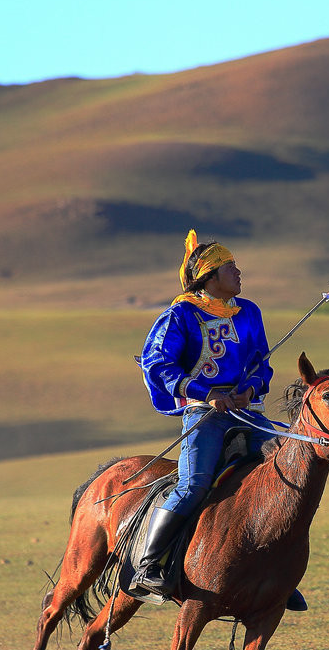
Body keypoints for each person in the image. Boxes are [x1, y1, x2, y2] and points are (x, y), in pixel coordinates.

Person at [130, 230, 306, 610]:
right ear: (210, 276)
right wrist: (206, 393)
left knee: (286, 472)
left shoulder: (250, 312)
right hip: (204, 413)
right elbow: (158, 363)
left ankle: (277, 572)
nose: (239, 273)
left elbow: (262, 362)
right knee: (194, 485)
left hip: (247, 412)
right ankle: (148, 565)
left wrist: (250, 388)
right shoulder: (180, 315)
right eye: (231, 267)